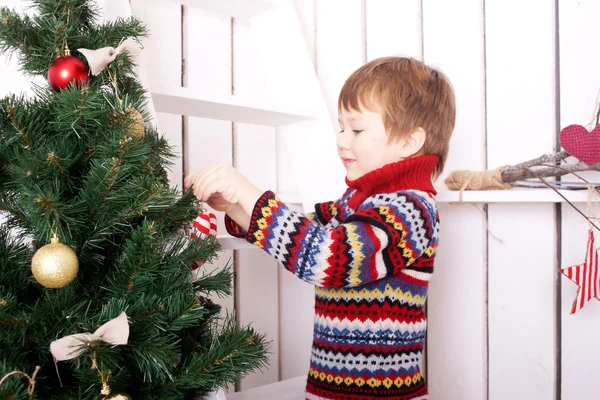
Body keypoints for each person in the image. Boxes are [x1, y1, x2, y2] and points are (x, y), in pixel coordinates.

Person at [184, 56, 456, 400]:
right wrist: (236, 207)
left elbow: (325, 256)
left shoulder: (412, 209)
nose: (342, 140)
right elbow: (302, 230)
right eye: (341, 128)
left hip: (381, 395)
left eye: (356, 129)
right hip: (328, 388)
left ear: (409, 141)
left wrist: (249, 194)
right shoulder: (356, 202)